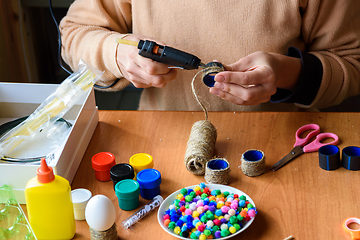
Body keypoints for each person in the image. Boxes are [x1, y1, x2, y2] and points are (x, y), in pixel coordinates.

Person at [59, 0, 360, 112]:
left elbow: (352, 64)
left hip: (277, 149)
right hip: (164, 149)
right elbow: (74, 35)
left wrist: (288, 74)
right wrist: (117, 53)